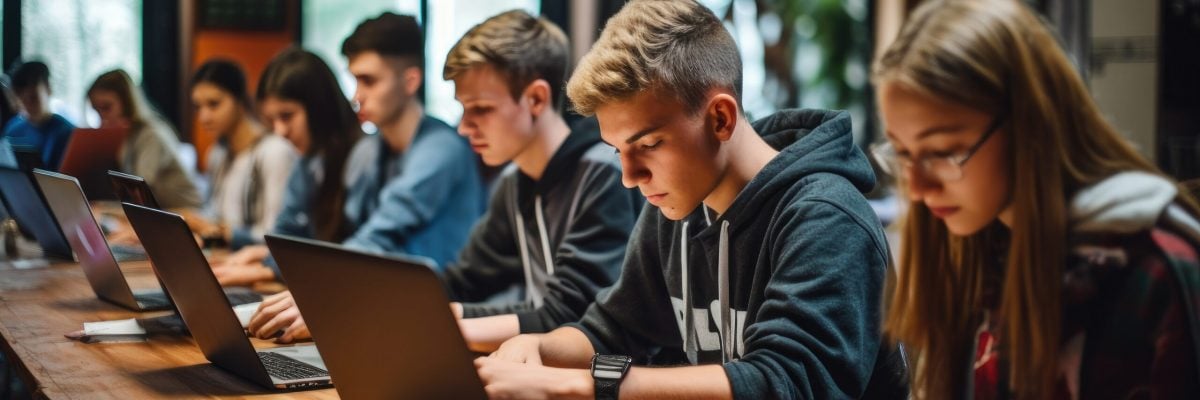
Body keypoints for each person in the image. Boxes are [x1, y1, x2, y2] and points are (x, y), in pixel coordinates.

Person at [475, 1, 908, 398]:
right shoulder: (674, 206)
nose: (629, 177)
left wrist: (582, 385)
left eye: (648, 144)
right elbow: (612, 328)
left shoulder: (826, 217)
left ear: (720, 118)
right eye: (617, 150)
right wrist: (537, 348)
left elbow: (784, 381)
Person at [246, 11, 642, 351]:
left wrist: (394, 322)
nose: (464, 127)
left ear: (536, 100)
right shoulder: (515, 181)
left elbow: (566, 315)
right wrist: (357, 304)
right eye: (462, 110)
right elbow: (461, 282)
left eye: (481, 110)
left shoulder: (603, 173)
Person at [872, 0, 1200, 398]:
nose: (920, 190)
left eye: (943, 152)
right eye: (902, 154)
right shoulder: (976, 249)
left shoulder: (1154, 270)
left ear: (1029, 126)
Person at [327, 12, 485, 264]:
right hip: (383, 291)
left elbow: (381, 233)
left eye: (369, 81)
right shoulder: (368, 150)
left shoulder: (442, 148)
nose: (357, 96)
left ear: (410, 81)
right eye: (355, 81)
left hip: (442, 298)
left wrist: (321, 279)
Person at [209, 47, 364, 286]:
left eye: (287, 116)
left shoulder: (363, 159)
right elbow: (286, 236)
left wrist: (266, 268)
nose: (280, 131)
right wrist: (267, 258)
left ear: (319, 107)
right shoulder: (308, 161)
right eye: (272, 120)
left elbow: (352, 258)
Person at [189, 59, 297, 250]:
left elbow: (276, 233)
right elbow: (214, 214)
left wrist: (223, 232)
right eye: (198, 107)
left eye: (214, 104)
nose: (204, 117)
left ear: (240, 100)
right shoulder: (217, 153)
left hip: (255, 256)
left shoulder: (274, 151)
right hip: (225, 253)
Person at [88, 69, 202, 211]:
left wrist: (104, 209)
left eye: (106, 108)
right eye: (96, 111)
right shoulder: (127, 136)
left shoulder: (151, 135)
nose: (102, 119)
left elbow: (140, 196)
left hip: (187, 213)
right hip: (162, 213)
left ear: (127, 102)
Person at [3, 60, 75, 170]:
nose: (26, 104)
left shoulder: (67, 133)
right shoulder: (12, 129)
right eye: (20, 97)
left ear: (48, 88)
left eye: (33, 97)